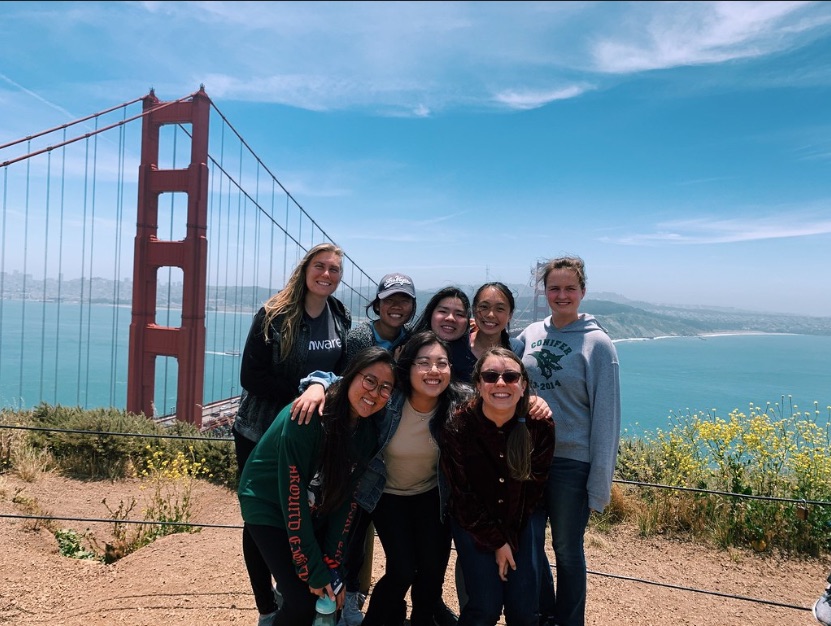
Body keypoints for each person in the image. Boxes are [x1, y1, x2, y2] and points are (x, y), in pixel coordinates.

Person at [232, 242, 352, 625]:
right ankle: (267, 608)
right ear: (305, 270)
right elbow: (251, 377)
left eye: (335, 270)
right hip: (261, 429)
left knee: (303, 511)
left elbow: (345, 371)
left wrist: (323, 389)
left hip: (311, 436)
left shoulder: (339, 313)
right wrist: (307, 392)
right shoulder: (274, 314)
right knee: (261, 518)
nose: (327, 275)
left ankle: (294, 592)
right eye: (320, 266)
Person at [237, 347, 396, 626]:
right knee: (302, 602)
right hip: (267, 502)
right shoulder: (307, 416)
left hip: (311, 506)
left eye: (385, 388)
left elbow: (346, 502)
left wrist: (333, 567)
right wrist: (313, 569)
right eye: (369, 380)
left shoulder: (366, 433)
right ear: (349, 376)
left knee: (327, 597)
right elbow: (293, 496)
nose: (374, 393)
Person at [515, 256, 621, 626]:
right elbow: (503, 379)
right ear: (545, 292)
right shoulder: (529, 335)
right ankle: (545, 613)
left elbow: (607, 420)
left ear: (582, 292)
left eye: (569, 288)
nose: (561, 295)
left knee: (567, 550)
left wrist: (599, 484)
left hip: (571, 463)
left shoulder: (598, 344)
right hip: (528, 459)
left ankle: (569, 621)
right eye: (554, 288)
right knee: (529, 546)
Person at [356, 331, 469, 626]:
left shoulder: (457, 403)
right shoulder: (388, 399)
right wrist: (316, 384)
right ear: (408, 366)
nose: (434, 371)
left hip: (431, 495)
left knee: (432, 572)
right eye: (424, 362)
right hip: (386, 494)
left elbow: (499, 397)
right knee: (403, 569)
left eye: (442, 363)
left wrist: (532, 403)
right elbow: (348, 389)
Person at [441, 347, 555, 625]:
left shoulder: (540, 425)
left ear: (523, 384)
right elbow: (463, 494)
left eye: (510, 376)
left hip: (522, 517)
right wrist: (498, 542)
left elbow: (532, 490)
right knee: (484, 607)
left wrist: (508, 540)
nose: (501, 383)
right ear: (478, 384)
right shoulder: (459, 425)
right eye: (491, 376)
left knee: (524, 610)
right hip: (473, 520)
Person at [340, 272, 417, 626]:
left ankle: (358, 597)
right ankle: (345, 595)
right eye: (390, 299)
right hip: (355, 439)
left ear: (413, 307)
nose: (396, 306)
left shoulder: (412, 340)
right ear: (378, 302)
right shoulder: (358, 336)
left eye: (404, 300)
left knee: (369, 524)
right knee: (348, 526)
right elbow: (350, 382)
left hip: (388, 445)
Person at [410, 286, 477, 384]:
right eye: (443, 311)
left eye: (459, 314)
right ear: (431, 314)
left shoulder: (476, 360)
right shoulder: (409, 351)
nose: (450, 318)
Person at [469, 282, 523, 359]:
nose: (491, 315)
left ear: (510, 315)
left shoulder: (517, 349)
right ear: (474, 310)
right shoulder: (457, 347)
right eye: (484, 307)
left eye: (500, 309)